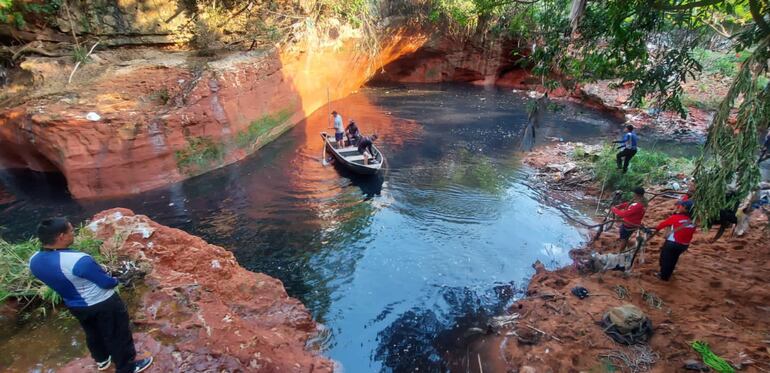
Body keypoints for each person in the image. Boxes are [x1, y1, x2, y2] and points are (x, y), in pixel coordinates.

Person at [28, 218, 153, 373]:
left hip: (75, 305)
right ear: (61, 236)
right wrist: (116, 278)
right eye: (71, 231)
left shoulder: (34, 261)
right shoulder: (78, 260)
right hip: (103, 303)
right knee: (117, 333)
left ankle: (102, 360)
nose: (74, 234)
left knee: (92, 332)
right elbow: (107, 283)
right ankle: (127, 367)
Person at [653, 200, 696, 281]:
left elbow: (660, 225)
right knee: (674, 258)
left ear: (685, 209)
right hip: (684, 245)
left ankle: (663, 277)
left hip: (672, 243)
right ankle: (668, 273)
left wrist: (657, 229)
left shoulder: (675, 217)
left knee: (665, 259)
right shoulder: (694, 220)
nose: (679, 207)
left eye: (681, 206)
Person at [610, 187, 647, 252]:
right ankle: (623, 247)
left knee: (624, 238)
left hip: (629, 225)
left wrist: (614, 209)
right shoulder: (641, 201)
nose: (633, 194)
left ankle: (621, 252)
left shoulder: (638, 205)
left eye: (634, 193)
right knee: (625, 237)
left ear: (636, 194)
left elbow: (623, 214)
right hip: (633, 222)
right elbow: (629, 204)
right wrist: (620, 206)